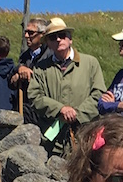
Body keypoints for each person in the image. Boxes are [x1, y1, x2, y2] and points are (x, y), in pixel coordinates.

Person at [27, 17, 105, 156]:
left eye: (62, 35)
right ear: (48, 43)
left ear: (70, 39)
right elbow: (34, 96)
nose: (58, 39)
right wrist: (60, 109)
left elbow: (99, 94)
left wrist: (76, 114)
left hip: (85, 137)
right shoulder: (40, 68)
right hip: (52, 142)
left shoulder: (90, 63)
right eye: (52, 37)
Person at [10, 17, 48, 123]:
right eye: (25, 32)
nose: (26, 36)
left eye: (31, 33)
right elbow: (11, 76)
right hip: (25, 109)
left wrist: (28, 74)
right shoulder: (25, 55)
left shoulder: (49, 54)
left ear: (42, 35)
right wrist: (19, 69)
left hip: (42, 111)